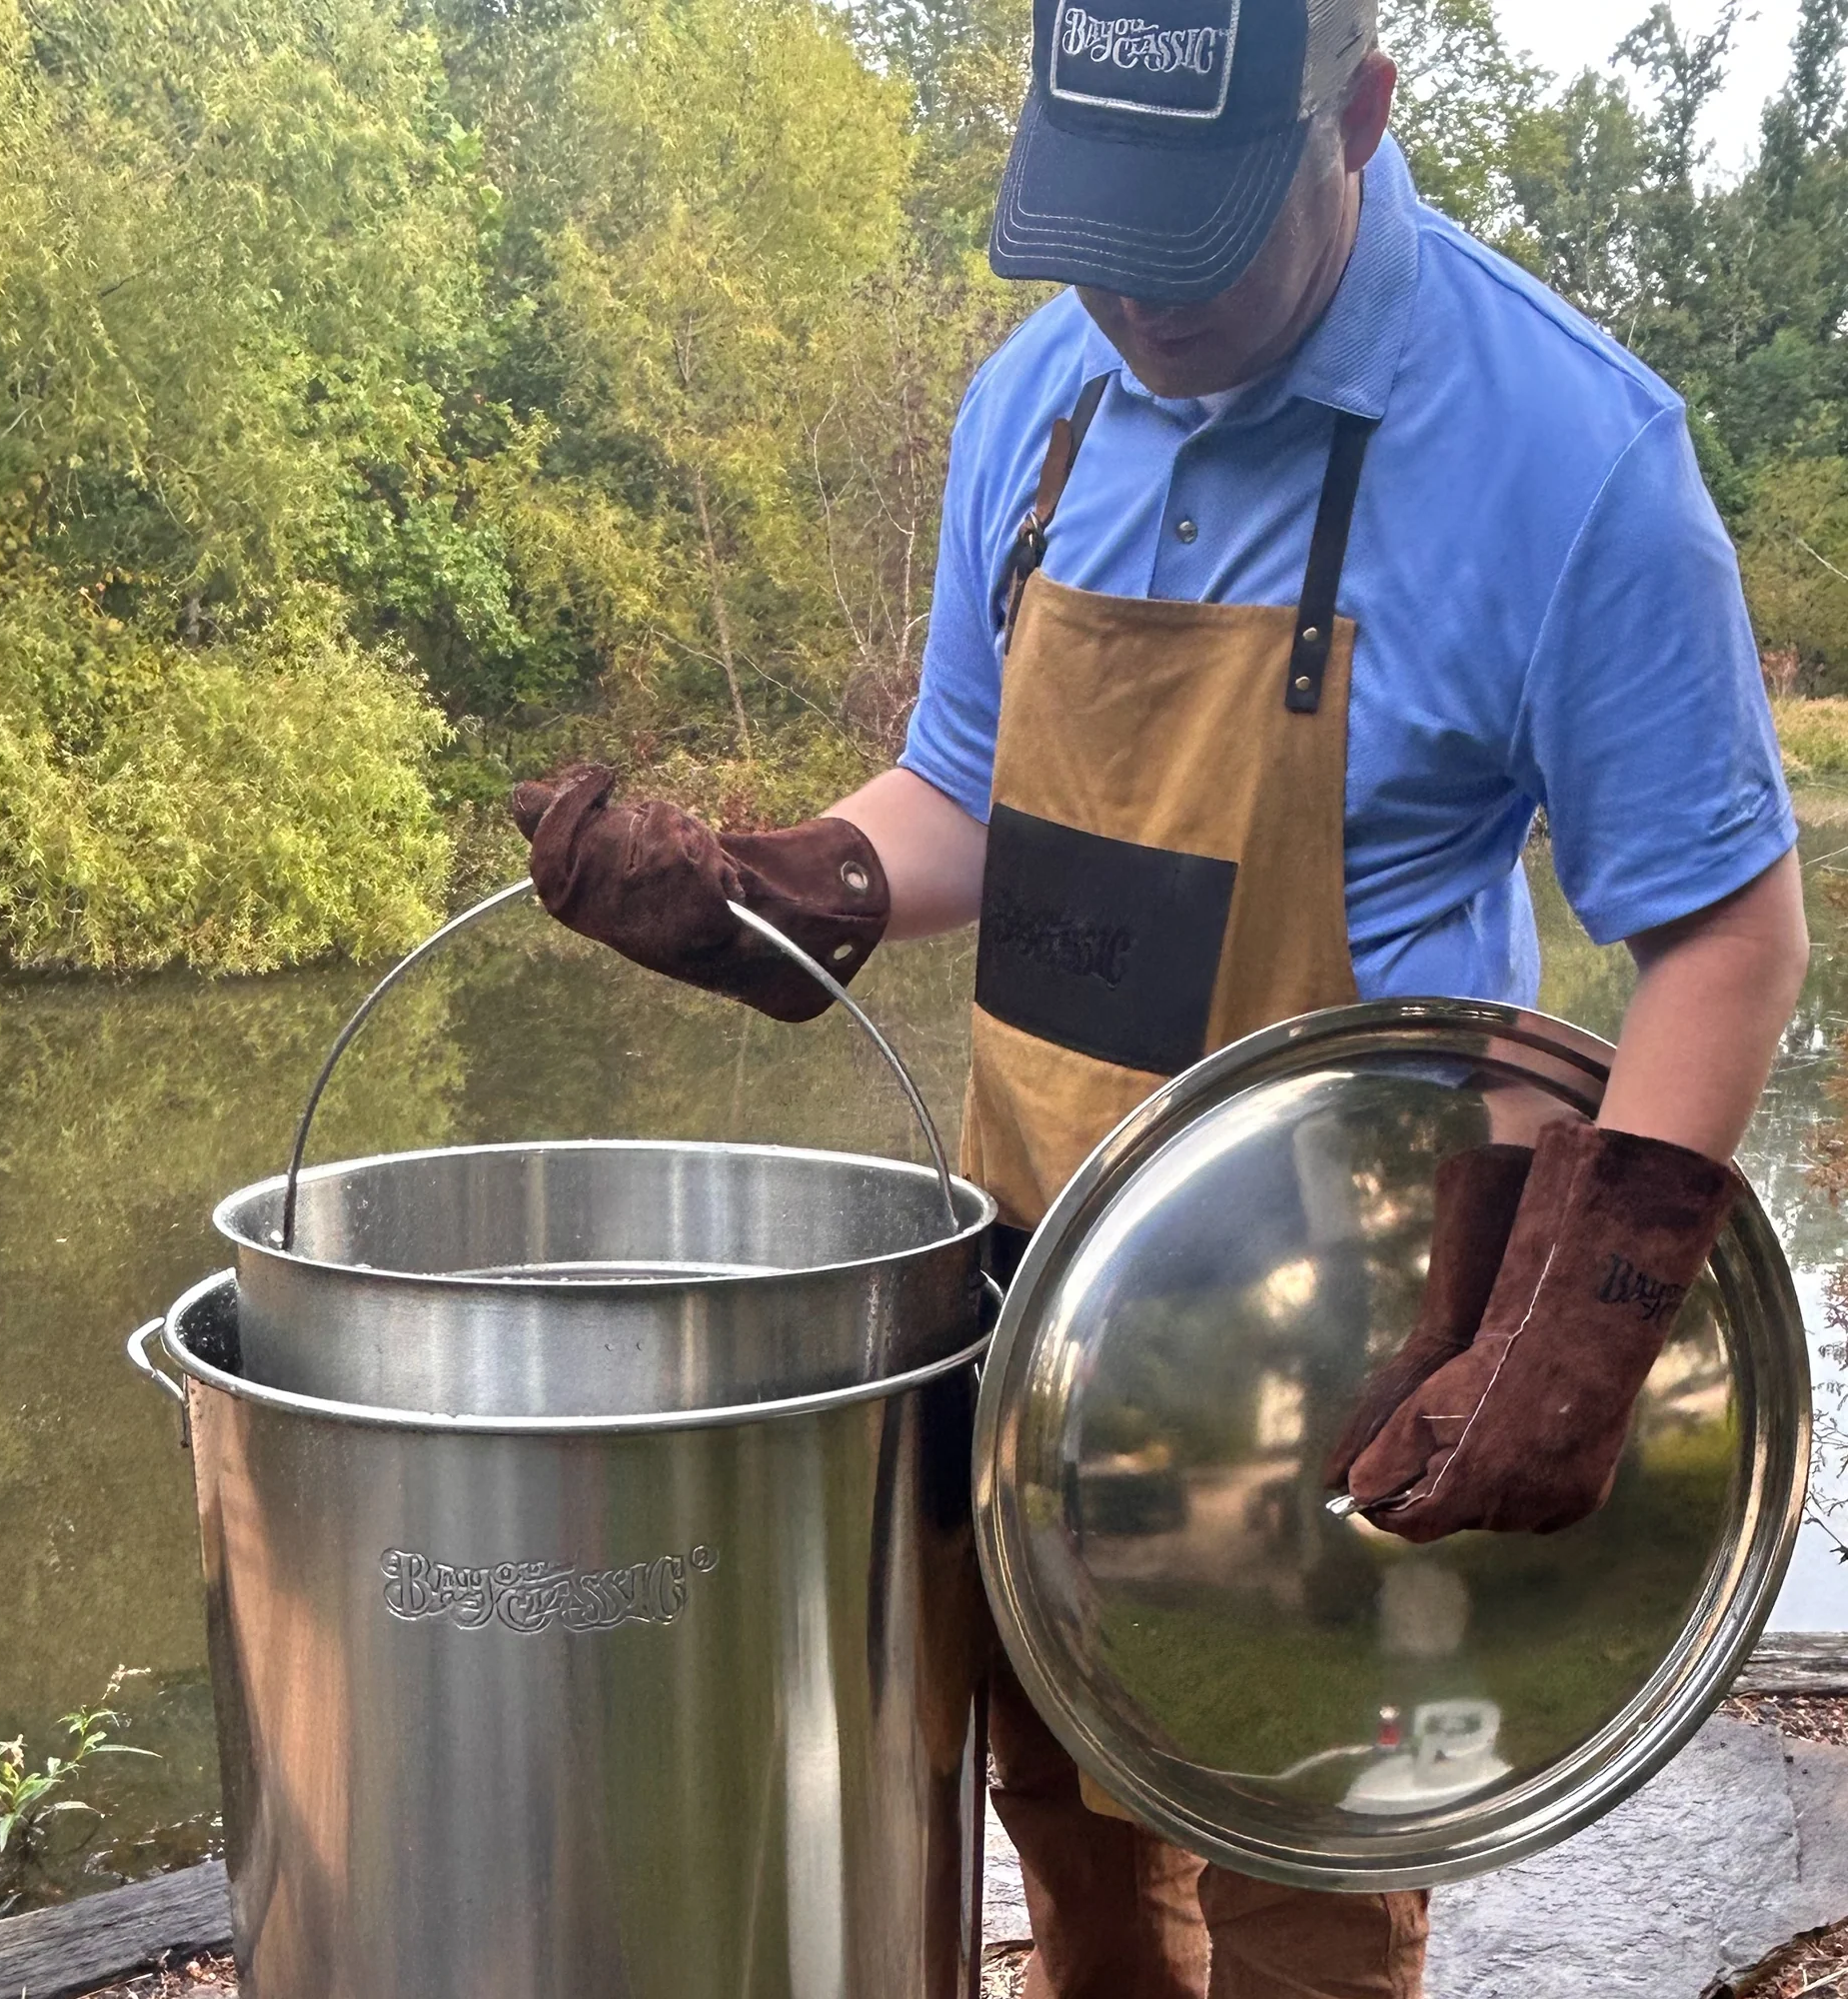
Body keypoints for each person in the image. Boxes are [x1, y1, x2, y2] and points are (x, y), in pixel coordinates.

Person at [511, 0, 1811, 1989]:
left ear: (1355, 117)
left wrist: (1585, 1319)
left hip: (1354, 1341)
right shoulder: (1035, 402)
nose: (1127, 300)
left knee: (1307, 1876)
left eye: (1187, 241)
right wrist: (788, 888)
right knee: (1074, 1842)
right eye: (1089, 234)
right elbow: (967, 788)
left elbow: (1725, 934)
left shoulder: (1572, 453)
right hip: (1038, 1281)